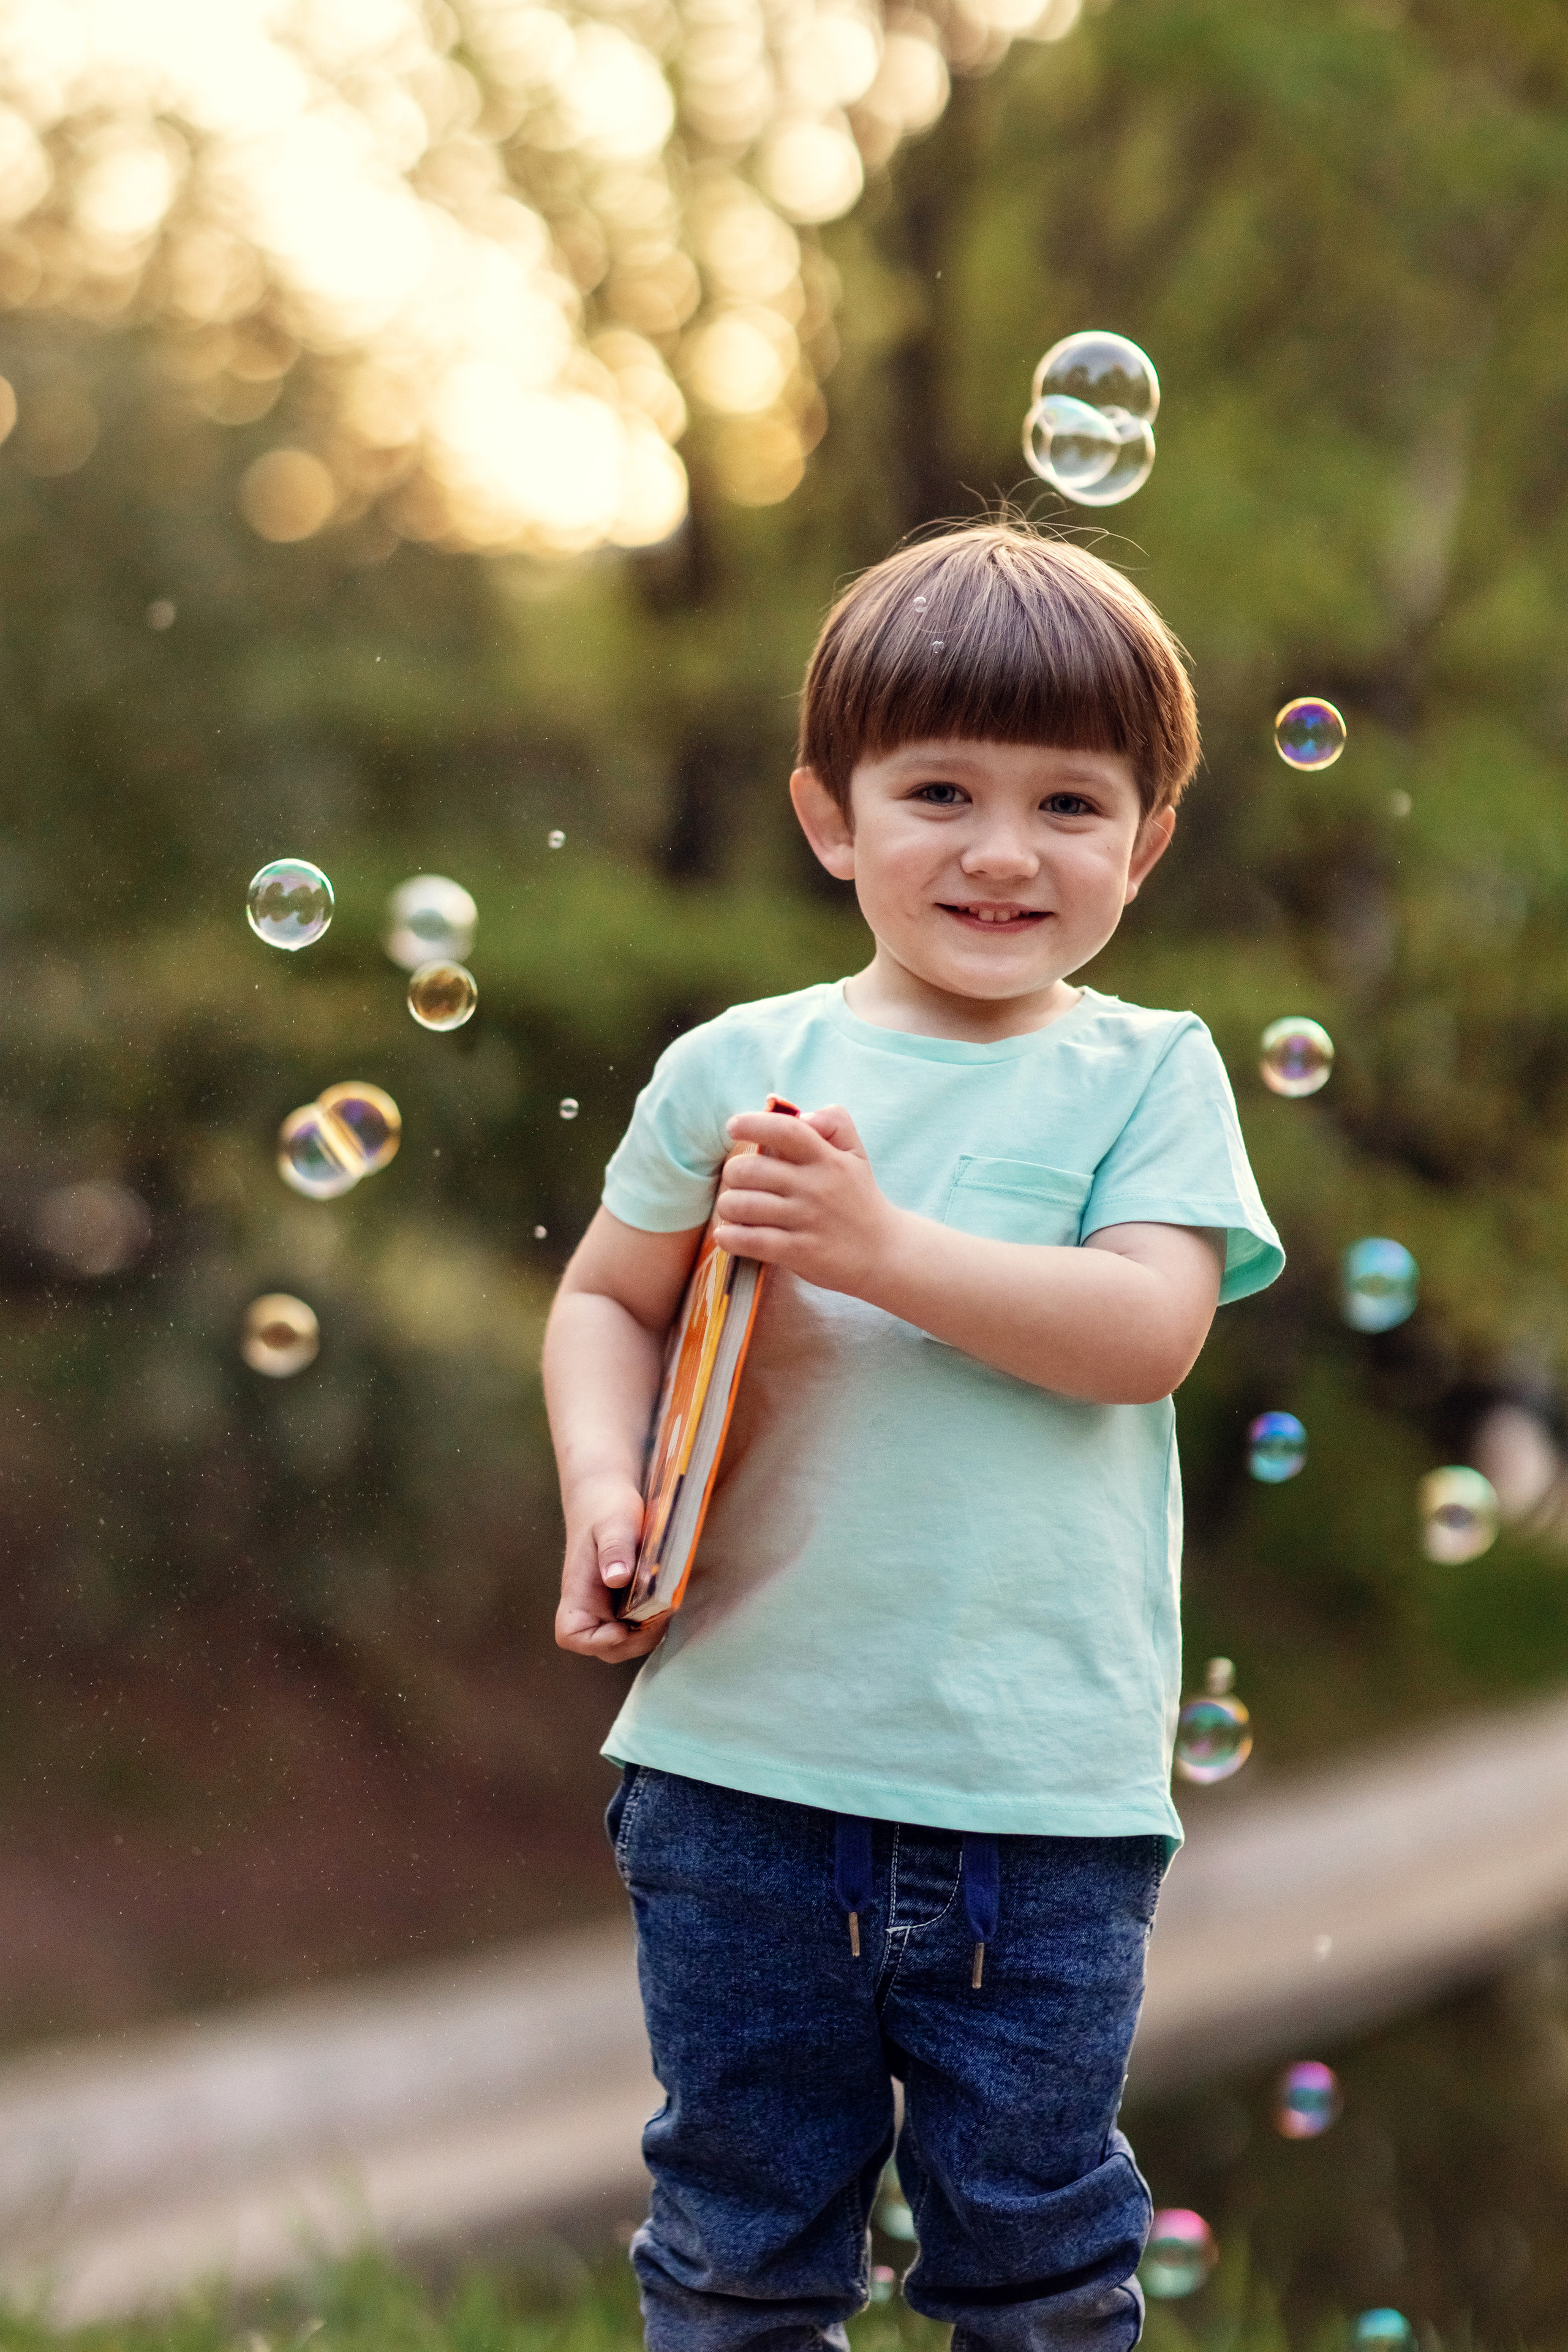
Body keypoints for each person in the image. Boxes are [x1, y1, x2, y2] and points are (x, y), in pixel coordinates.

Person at [543, 521, 1283, 2352]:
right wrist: (600, 1483)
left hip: (1040, 1802)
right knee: (737, 2237)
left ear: (1149, 839)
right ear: (829, 814)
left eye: (1072, 803)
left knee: (1037, 2256)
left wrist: (882, 1249)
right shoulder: (741, 1070)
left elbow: (1147, 1334)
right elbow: (606, 1303)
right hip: (738, 1778)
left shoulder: (1150, 1071)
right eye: (940, 789)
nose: (1005, 850)